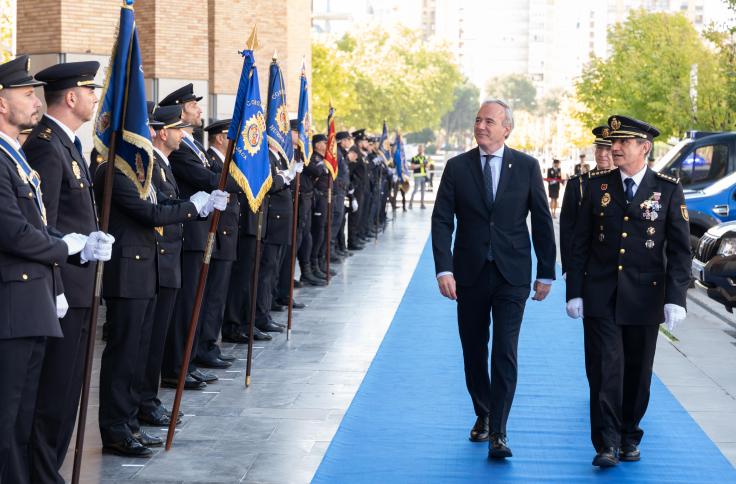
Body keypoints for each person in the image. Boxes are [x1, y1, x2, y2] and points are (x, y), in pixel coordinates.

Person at [0, 55, 112, 483]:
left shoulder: (25, 155)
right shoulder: (33, 151)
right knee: (19, 414)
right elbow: (19, 231)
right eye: (27, 94)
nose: (36, 101)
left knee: (33, 409)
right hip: (23, 298)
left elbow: (43, 219)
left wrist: (79, 249)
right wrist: (65, 252)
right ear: (2, 104)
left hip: (38, 295)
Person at [431, 99, 556, 460]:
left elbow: (542, 221)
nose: (481, 126)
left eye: (489, 121)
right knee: (473, 349)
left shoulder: (527, 167)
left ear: (506, 129)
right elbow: (442, 220)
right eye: (478, 120)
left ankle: (499, 430)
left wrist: (546, 270)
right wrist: (444, 268)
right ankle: (483, 411)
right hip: (469, 274)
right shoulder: (457, 167)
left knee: (504, 350)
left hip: (512, 275)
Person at [565, 115, 690, 467]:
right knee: (605, 370)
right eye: (613, 142)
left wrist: (675, 297)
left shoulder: (667, 189)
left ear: (644, 147)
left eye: (624, 142)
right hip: (601, 294)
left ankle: (628, 434)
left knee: (637, 373)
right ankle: (605, 443)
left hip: (645, 297)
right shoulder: (596, 187)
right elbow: (580, 243)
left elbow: (680, 250)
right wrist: (574, 289)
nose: (614, 148)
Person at [139, 105, 199, 424]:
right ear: (164, 132)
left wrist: (190, 206)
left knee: (156, 339)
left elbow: (167, 201)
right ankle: (146, 402)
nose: (183, 135)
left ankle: (150, 399)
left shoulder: (162, 165)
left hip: (168, 259)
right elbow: (155, 210)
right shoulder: (151, 165)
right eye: (179, 129)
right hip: (157, 261)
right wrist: (192, 208)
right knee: (148, 343)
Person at [559, 126, 612, 276]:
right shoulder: (578, 184)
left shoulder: (624, 184)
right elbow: (567, 230)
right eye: (599, 148)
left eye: (608, 149)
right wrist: (568, 267)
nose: (602, 154)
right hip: (585, 265)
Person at [409, 144, 429, 209]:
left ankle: (422, 204)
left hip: (423, 176)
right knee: (415, 190)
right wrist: (421, 165)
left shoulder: (424, 158)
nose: (421, 150)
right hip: (417, 177)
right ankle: (410, 204)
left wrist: (426, 165)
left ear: (423, 150)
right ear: (418, 150)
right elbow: (412, 167)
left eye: (422, 149)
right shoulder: (414, 158)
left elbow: (426, 167)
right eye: (419, 149)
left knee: (423, 191)